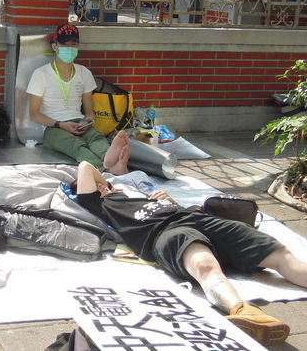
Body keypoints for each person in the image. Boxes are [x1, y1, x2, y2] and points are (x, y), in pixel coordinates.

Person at [73, 160, 307, 345]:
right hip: (164, 232)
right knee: (204, 264)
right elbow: (85, 166)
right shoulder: (100, 204)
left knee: (276, 253)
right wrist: (106, 187)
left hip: (196, 217)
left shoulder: (133, 193)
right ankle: (243, 311)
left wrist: (167, 200)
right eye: (95, 185)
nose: (100, 185)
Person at [26, 24, 130, 175]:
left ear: (78, 46)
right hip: (53, 128)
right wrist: (61, 125)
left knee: (95, 136)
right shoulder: (41, 74)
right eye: (64, 44)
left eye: (73, 44)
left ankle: (110, 159)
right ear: (55, 46)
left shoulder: (84, 73)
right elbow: (34, 114)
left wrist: (88, 121)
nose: (69, 48)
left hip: (78, 122)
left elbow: (89, 111)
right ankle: (107, 169)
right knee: (76, 145)